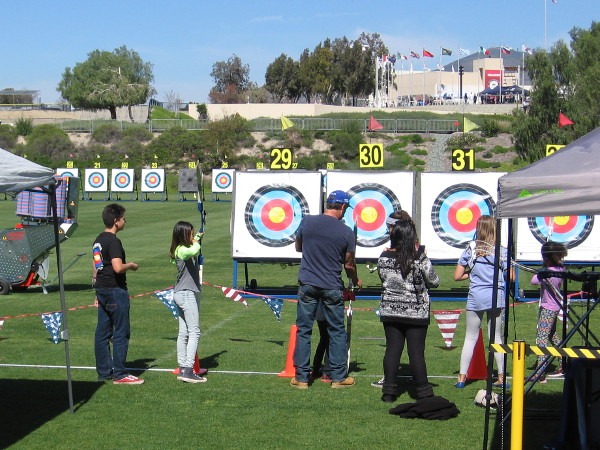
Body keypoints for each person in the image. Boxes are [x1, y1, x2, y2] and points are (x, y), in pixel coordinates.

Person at [291, 190, 362, 389]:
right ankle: (338, 378)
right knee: (337, 331)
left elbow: (299, 247)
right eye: (346, 208)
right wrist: (356, 280)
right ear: (341, 207)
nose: (346, 212)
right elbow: (348, 264)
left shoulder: (307, 222)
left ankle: (302, 378)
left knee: (304, 331)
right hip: (331, 286)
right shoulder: (347, 231)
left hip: (308, 284)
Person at [377, 219, 439, 403]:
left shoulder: (383, 256)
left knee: (392, 350)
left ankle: (388, 392)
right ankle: (424, 392)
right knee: (416, 353)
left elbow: (383, 278)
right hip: (415, 311)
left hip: (390, 310)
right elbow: (434, 281)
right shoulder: (419, 257)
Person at [454, 215, 512, 388]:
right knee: (496, 338)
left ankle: (461, 378)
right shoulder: (502, 251)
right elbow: (512, 277)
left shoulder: (470, 249)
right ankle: (501, 377)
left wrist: (472, 274)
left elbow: (457, 276)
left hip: (476, 297)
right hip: (496, 297)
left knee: (470, 337)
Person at [92, 204, 143, 384]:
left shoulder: (98, 239)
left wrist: (97, 289)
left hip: (102, 289)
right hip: (115, 290)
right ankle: (120, 374)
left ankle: (104, 372)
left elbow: (96, 267)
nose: (125, 221)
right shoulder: (113, 241)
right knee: (121, 332)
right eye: (123, 218)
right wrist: (132, 265)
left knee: (102, 333)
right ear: (116, 221)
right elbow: (118, 267)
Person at [372, 210, 422, 389]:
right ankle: (416, 385)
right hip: (414, 309)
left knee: (399, 349)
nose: (388, 231)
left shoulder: (415, 252)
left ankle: (391, 386)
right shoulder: (413, 251)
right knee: (412, 351)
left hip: (398, 308)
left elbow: (430, 278)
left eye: (390, 228)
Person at [170, 221, 207, 383]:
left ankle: (183, 367)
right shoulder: (181, 250)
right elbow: (193, 251)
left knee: (184, 332)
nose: (193, 237)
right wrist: (197, 242)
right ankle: (188, 369)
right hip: (186, 294)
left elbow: (193, 249)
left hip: (182, 293)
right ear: (184, 235)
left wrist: (197, 237)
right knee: (194, 332)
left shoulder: (181, 248)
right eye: (190, 234)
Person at [531, 241, 568, 382]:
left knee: (541, 339)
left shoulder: (547, 272)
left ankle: (540, 373)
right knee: (553, 336)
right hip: (554, 307)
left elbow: (534, 280)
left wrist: (542, 270)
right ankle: (563, 362)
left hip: (548, 308)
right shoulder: (561, 269)